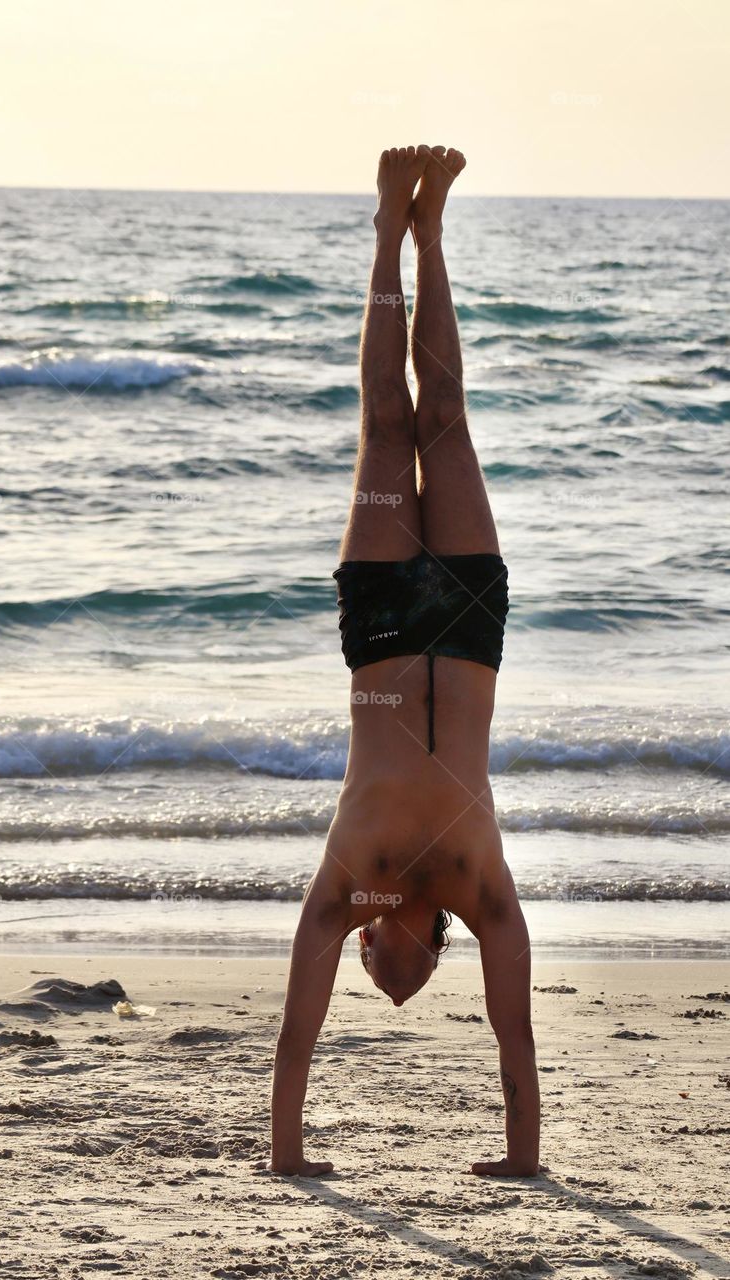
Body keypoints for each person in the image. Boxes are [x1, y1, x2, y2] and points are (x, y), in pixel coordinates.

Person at [268, 145, 540, 1179]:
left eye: (366, 967)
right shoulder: (481, 892)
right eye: (390, 971)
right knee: (445, 417)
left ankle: (387, 229)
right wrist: (521, 1157)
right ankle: (430, 234)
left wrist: (290, 1156)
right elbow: (513, 1037)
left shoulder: (347, 887)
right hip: (466, 619)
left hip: (383, 624)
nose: (368, 964)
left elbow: (296, 1041)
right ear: (418, 944)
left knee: (386, 424)